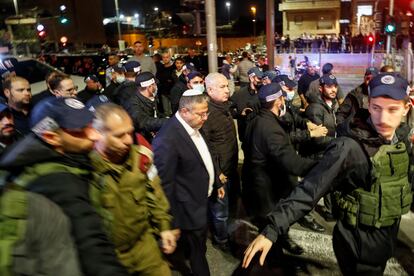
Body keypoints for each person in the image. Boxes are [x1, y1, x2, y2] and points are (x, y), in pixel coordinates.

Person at [243, 73, 413, 275]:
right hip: (358, 244)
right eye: (376, 108)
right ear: (369, 105)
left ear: (406, 108)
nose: (383, 118)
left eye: (392, 109)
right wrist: (271, 230)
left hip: (385, 236)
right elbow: (310, 189)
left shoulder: (401, 139)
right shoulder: (349, 147)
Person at [0, 97, 129, 276]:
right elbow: (92, 248)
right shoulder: (58, 182)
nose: (94, 134)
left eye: (91, 124)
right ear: (51, 137)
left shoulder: (43, 156)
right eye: (80, 130)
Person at [90, 103, 175, 275]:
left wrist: (164, 227)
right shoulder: (87, 171)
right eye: (119, 136)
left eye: (129, 132)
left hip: (144, 246)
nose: (128, 140)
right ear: (97, 134)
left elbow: (155, 195)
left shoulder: (141, 158)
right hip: (109, 258)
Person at [153, 90, 225, 276]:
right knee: (197, 253)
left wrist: (216, 182)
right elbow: (165, 184)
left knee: (199, 245)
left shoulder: (194, 125)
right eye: (201, 113)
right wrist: (172, 222)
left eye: (206, 112)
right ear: (184, 111)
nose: (205, 118)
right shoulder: (167, 139)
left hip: (201, 199)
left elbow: (205, 155)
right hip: (188, 209)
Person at [203, 73, 238, 251]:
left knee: (230, 207)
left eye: (227, 86)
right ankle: (221, 240)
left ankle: (226, 234)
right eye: (222, 87)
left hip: (230, 168)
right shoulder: (207, 114)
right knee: (220, 212)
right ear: (210, 90)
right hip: (220, 175)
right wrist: (217, 175)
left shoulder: (224, 108)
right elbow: (207, 149)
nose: (228, 90)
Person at [120, 72, 167, 143]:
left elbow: (155, 114)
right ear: (149, 87)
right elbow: (144, 122)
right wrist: (168, 122)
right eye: (154, 84)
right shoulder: (132, 104)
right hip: (141, 143)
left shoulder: (150, 97)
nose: (156, 86)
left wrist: (166, 117)